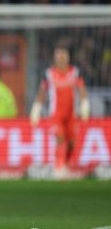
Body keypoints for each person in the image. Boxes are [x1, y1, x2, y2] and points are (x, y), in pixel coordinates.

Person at [30, 46, 90, 179]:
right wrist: (36, 108)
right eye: (58, 55)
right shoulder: (49, 73)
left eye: (63, 54)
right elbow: (42, 92)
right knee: (60, 139)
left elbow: (81, 89)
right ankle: (58, 167)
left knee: (72, 143)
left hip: (72, 114)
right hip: (56, 114)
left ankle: (66, 165)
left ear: (68, 57)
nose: (61, 57)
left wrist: (85, 103)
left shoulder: (75, 72)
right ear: (55, 57)